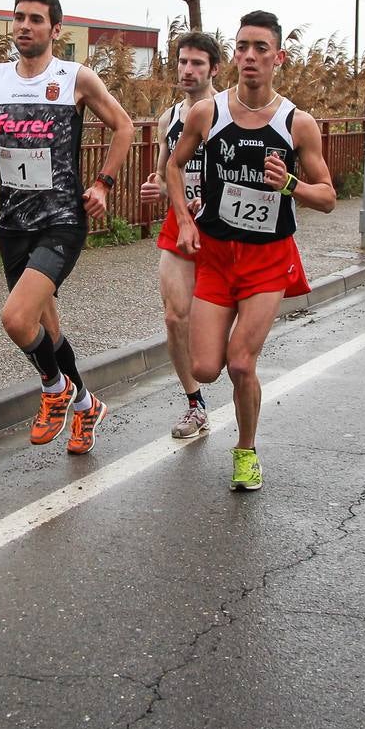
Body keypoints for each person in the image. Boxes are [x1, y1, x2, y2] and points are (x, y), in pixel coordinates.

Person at [0, 0, 133, 455]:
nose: (24, 27)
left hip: (61, 220)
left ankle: (55, 390)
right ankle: (86, 405)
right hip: (12, 222)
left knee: (16, 319)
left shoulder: (75, 77)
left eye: (36, 19)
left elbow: (124, 126)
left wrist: (102, 184)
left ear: (56, 29)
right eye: (19, 18)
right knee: (47, 329)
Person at [164, 10, 336, 491]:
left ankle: (246, 451)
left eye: (261, 48)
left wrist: (292, 185)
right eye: (242, 47)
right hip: (216, 255)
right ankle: (216, 408)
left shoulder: (296, 123)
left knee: (241, 363)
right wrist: (183, 219)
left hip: (267, 259)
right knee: (205, 367)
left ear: (278, 58)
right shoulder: (208, 113)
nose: (250, 56)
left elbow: (327, 197)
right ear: (234, 56)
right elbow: (173, 168)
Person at [139, 32, 221, 438]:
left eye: (197, 64)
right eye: (183, 62)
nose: (188, 70)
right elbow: (162, 171)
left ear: (213, 69)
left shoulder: (227, 112)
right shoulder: (168, 118)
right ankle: (194, 403)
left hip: (223, 229)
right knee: (174, 316)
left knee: (220, 331)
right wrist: (156, 189)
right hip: (179, 223)